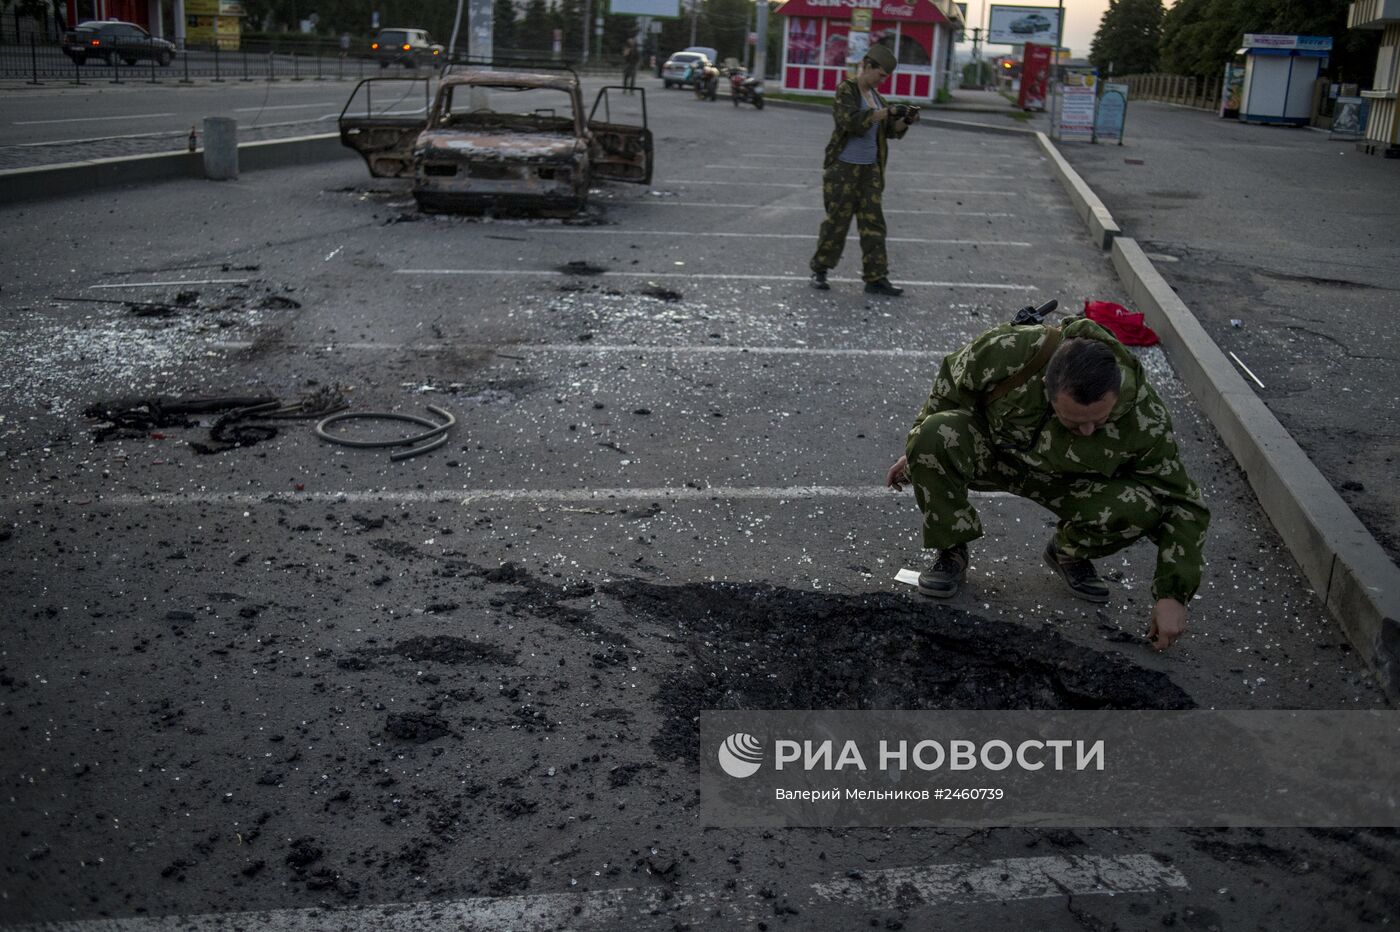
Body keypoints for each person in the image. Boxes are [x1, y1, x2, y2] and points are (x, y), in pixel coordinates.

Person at [884, 317, 1210, 651]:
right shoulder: (1009, 352)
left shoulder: (1144, 417)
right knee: (932, 436)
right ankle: (951, 550)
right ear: (1047, 389)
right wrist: (916, 447)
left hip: (1070, 483)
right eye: (1074, 421)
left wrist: (1174, 595)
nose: (1086, 431)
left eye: (1099, 422)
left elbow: (1183, 502)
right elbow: (950, 388)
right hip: (995, 455)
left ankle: (1069, 551)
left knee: (1142, 507)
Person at [809, 43, 917, 298]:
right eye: (879, 75)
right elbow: (850, 122)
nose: (881, 81)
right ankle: (819, 270)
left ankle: (876, 278)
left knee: (874, 225)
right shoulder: (846, 90)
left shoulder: (878, 99)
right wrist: (885, 113)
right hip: (844, 170)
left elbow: (891, 132)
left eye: (885, 77)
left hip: (870, 171)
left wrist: (905, 119)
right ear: (867, 66)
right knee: (836, 223)